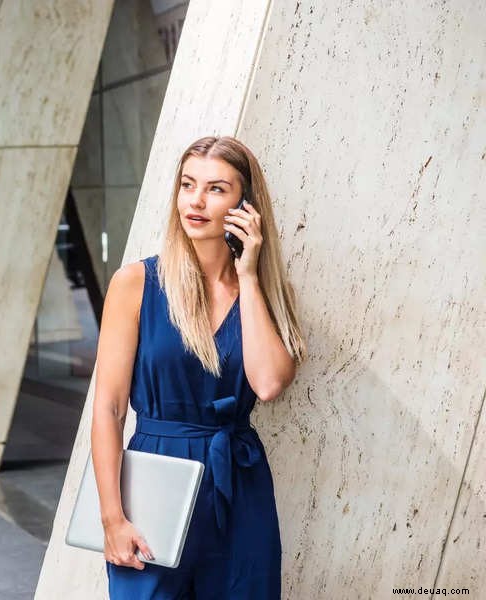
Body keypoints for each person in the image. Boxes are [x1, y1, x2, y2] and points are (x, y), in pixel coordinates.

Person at [91, 135, 306, 598]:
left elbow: (268, 384)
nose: (196, 200)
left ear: (243, 205)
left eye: (215, 189)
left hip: (237, 487)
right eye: (188, 185)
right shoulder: (136, 283)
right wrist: (112, 517)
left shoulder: (265, 295)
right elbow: (108, 408)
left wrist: (248, 275)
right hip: (152, 484)